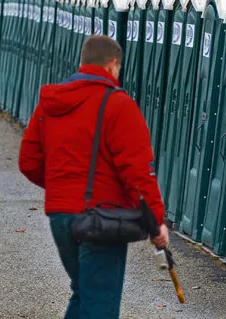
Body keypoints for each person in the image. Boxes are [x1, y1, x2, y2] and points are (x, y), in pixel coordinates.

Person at [19, 35, 169, 319]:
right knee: (100, 302)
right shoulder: (118, 105)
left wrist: (65, 190)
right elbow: (137, 172)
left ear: (82, 62)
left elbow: (29, 162)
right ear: (113, 65)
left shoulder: (50, 104)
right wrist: (156, 221)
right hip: (102, 217)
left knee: (85, 293)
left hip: (61, 216)